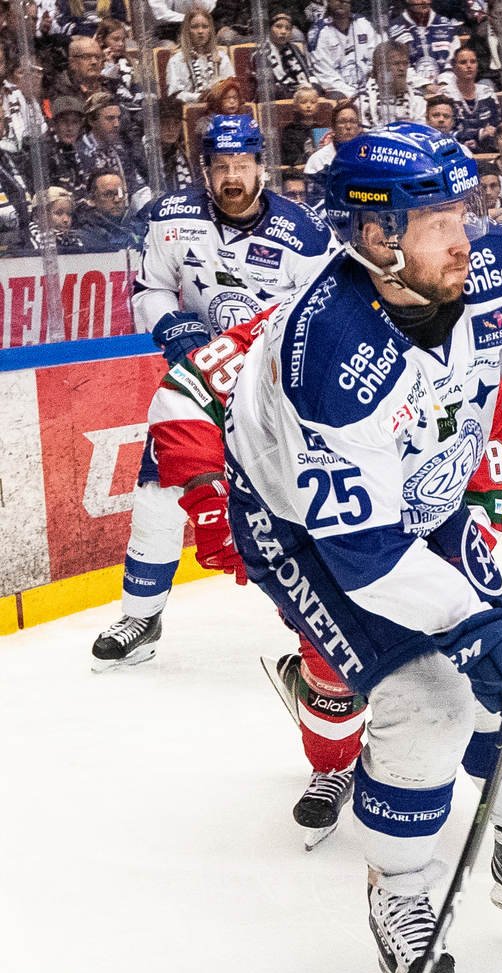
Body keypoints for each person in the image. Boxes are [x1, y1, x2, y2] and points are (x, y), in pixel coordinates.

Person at [215, 122, 502, 973]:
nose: (463, 237)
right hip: (314, 537)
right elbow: (363, 553)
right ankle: (399, 891)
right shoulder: (330, 351)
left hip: (423, 508)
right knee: (431, 693)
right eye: (437, 219)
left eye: (462, 212)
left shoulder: (476, 266)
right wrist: (469, 630)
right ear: (375, 235)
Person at [92, 115, 337, 678]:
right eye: (221, 167)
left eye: (242, 166)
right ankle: (141, 619)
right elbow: (149, 288)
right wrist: (171, 326)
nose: (233, 178)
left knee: (294, 515)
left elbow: (324, 315)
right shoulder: (171, 219)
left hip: (275, 396)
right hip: (201, 386)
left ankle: (323, 638)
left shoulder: (304, 234)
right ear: (205, 169)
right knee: (156, 496)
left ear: (261, 166)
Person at [439, 46, 502, 153]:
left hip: (486, 149)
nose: (469, 66)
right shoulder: (445, 94)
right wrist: (479, 133)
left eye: (473, 62)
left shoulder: (488, 93)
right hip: (455, 151)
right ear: (454, 67)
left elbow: (496, 127)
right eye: (463, 62)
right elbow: (444, 130)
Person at [314, 0, 382, 101]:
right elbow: (325, 74)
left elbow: (378, 56)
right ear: (328, 2)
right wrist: (353, 94)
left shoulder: (364, 23)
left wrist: (369, 88)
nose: (341, 2)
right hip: (341, 95)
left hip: (370, 89)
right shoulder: (319, 32)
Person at [166, 4, 234, 104]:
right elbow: (175, 95)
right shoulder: (176, 60)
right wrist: (201, 97)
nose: (200, 31)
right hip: (189, 111)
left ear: (210, 30)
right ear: (187, 31)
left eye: (205, 27)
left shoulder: (222, 57)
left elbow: (231, 87)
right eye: (194, 27)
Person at [389, 0, 463, 83]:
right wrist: (424, 85)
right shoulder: (393, 29)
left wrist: (444, 83)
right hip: (410, 90)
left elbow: (455, 62)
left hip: (446, 88)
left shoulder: (447, 26)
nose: (423, 1)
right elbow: (396, 66)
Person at [71, 172, 144, 250]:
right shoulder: (81, 239)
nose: (117, 200)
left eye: (120, 194)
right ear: (91, 199)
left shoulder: (140, 229)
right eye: (108, 194)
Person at [265, 11, 317, 97]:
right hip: (277, 97)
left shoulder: (295, 49)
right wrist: (297, 93)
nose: (283, 32)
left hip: (302, 94)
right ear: (269, 29)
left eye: (288, 28)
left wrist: (314, 87)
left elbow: (308, 73)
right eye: (278, 27)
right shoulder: (261, 53)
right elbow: (266, 88)